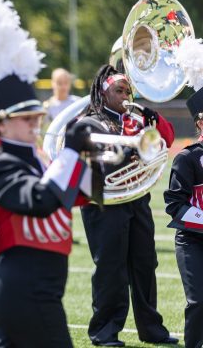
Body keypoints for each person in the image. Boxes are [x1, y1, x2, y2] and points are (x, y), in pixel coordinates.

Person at [0, 74, 96, 347]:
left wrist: (94, 158)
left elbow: (80, 194)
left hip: (36, 284)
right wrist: (69, 153)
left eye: (37, 117)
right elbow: (41, 200)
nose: (36, 124)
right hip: (25, 285)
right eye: (26, 118)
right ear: (3, 124)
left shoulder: (35, 159)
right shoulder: (1, 163)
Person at [72, 64, 177, 346]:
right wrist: (129, 147)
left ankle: (151, 328)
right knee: (111, 268)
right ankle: (104, 331)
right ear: (104, 93)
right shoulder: (88, 122)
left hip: (137, 200)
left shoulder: (136, 121)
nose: (125, 95)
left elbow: (166, 140)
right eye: (119, 90)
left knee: (145, 264)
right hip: (103, 203)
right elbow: (91, 160)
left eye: (127, 90)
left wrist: (153, 118)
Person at [164, 88, 203, 348]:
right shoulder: (187, 158)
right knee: (199, 300)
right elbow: (174, 205)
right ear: (200, 122)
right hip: (192, 240)